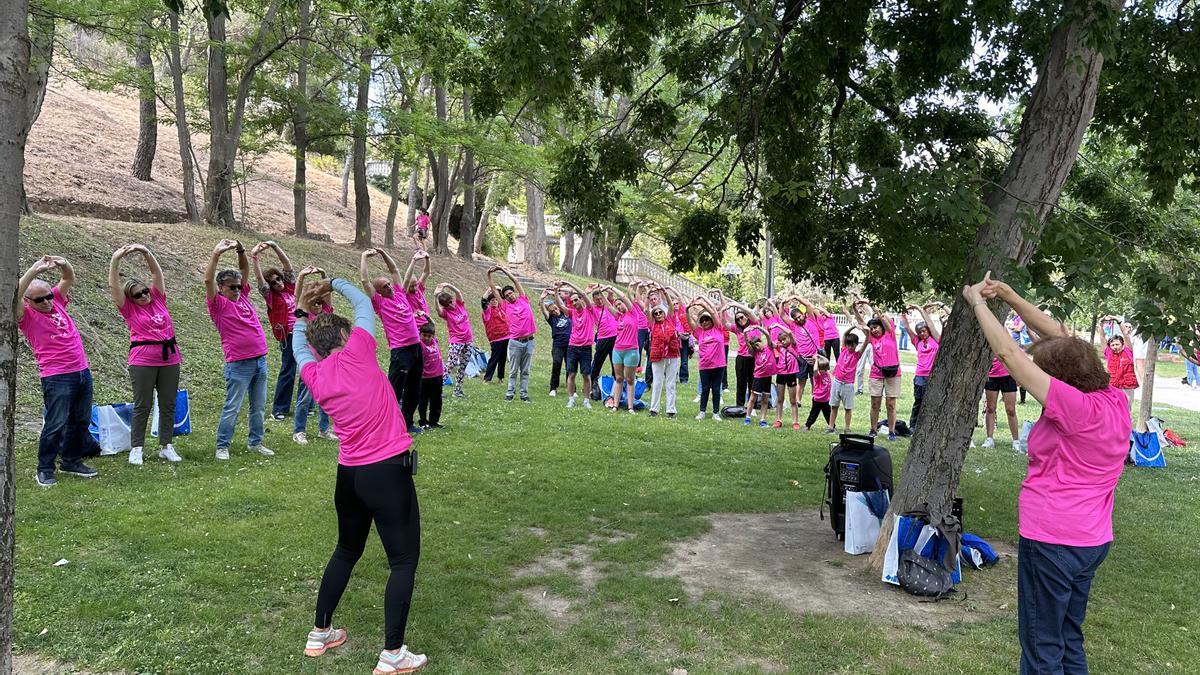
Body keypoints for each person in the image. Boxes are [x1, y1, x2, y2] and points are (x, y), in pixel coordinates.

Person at [964, 272, 1127, 675]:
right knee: (1068, 637)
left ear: (1061, 379)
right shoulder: (1114, 399)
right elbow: (1062, 340)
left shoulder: (1075, 408)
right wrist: (1008, 295)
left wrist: (978, 303)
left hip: (1054, 540)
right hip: (1090, 541)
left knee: (1042, 647)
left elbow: (1010, 356)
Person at [292, 278, 427, 674]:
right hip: (386, 472)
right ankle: (393, 654)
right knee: (403, 561)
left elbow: (298, 346)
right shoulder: (359, 350)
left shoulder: (314, 373)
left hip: (349, 475)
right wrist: (333, 283)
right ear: (344, 336)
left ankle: (320, 633)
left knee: (346, 550)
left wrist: (301, 310)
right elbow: (364, 304)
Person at [18, 255, 101, 485]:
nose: (47, 302)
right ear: (28, 301)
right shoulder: (26, 316)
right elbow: (15, 294)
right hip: (57, 376)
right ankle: (45, 469)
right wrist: (34, 270)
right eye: (40, 299)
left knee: (81, 420)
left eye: (49, 296)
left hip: (81, 372)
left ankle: (71, 461)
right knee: (56, 423)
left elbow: (68, 278)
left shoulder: (57, 303)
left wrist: (63, 263)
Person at [109, 244, 183, 465]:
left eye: (145, 291)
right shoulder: (129, 309)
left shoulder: (158, 299)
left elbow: (156, 274)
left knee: (168, 403)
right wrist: (115, 260)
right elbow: (114, 287)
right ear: (130, 298)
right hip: (143, 360)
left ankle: (166, 446)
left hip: (170, 358)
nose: (144, 295)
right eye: (138, 295)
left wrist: (146, 252)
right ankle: (137, 448)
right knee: (143, 404)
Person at [205, 239, 274, 460]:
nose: (237, 289)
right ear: (221, 288)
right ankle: (222, 446)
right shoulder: (218, 304)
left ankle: (256, 443)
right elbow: (207, 279)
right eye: (232, 287)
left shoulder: (242, 297)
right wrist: (216, 254)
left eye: (238, 286)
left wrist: (241, 250)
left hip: (259, 360)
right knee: (233, 406)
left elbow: (244, 270)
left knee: (258, 406)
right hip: (239, 363)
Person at [360, 248, 424, 434]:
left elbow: (394, 270)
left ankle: (407, 422)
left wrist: (382, 253)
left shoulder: (400, 293)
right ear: (378, 292)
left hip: (416, 347)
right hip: (400, 351)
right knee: (395, 390)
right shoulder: (379, 303)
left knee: (414, 388)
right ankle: (387, 425)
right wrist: (364, 257)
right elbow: (364, 281)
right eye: (384, 286)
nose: (389, 287)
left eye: (388, 284)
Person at [250, 240, 298, 421]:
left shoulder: (291, 287)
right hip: (289, 335)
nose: (278, 283)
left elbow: (287, 265)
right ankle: (280, 409)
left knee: (310, 368)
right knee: (288, 370)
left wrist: (274, 246)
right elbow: (260, 281)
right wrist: (254, 257)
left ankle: (308, 405)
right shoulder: (271, 297)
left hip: (306, 331)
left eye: (279, 279)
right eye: (273, 282)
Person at [292, 267, 336, 444]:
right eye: (314, 303)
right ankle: (299, 431)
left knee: (326, 397)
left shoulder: (326, 314)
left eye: (319, 303)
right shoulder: (304, 316)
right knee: (305, 398)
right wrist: (302, 276)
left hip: (326, 361)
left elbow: (327, 292)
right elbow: (298, 297)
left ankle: (324, 429)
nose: (318, 305)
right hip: (310, 362)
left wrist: (324, 275)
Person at [851, 299, 902, 441]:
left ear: (882, 326)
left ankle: (892, 431)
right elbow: (861, 323)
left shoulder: (890, 333)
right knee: (875, 403)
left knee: (891, 404)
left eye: (876, 327)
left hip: (893, 373)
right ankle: (873, 430)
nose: (874, 330)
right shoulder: (872, 338)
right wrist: (854, 308)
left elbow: (881, 316)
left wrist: (870, 304)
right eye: (872, 328)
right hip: (876, 373)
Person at [487, 265, 536, 402]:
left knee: (525, 370)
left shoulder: (523, 299)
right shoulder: (505, 306)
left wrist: (503, 270)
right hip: (515, 342)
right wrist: (489, 275)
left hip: (529, 341)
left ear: (514, 292)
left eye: (510, 293)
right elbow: (493, 289)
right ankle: (510, 393)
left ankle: (524, 394)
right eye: (507, 295)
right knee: (514, 370)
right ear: (505, 298)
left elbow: (516, 281)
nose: (509, 296)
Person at [552, 281, 595, 409]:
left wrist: (568, 283)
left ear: (581, 300)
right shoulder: (572, 313)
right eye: (572, 301)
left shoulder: (589, 310)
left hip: (586, 348)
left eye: (576, 300)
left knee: (586, 375)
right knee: (571, 374)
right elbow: (560, 305)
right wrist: (556, 291)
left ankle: (586, 401)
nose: (575, 303)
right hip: (572, 347)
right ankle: (570, 400)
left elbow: (583, 294)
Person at [598, 285, 641, 413]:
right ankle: (615, 405)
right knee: (618, 378)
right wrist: (601, 292)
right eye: (616, 305)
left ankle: (630, 406)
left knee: (630, 379)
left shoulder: (633, 313)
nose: (617, 307)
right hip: (617, 350)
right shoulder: (619, 316)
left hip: (631, 351)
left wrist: (611, 288)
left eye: (619, 304)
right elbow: (607, 305)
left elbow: (623, 296)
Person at [684, 295, 727, 421]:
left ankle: (715, 413)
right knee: (705, 389)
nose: (704, 322)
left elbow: (713, 312)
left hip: (718, 365)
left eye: (706, 320)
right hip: (704, 366)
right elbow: (690, 322)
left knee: (716, 389)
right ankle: (702, 411)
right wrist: (687, 310)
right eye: (702, 321)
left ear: (711, 321)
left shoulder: (718, 329)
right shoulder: (699, 332)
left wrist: (702, 304)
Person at [904, 304, 942, 432]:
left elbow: (930, 323)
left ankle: (928, 426)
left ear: (928, 331)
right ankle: (913, 425)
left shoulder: (935, 340)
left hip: (932, 375)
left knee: (930, 402)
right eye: (919, 332)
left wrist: (920, 310)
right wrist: (904, 313)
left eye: (924, 331)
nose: (922, 333)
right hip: (920, 375)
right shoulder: (917, 342)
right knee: (918, 401)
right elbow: (907, 328)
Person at [434, 282, 473, 398]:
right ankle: (438, 390)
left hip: (468, 340)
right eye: (447, 305)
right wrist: (436, 297)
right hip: (456, 341)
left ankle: (458, 391)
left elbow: (458, 292)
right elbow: (438, 311)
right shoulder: (446, 313)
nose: (450, 305)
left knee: (463, 366)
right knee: (451, 364)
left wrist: (447, 285)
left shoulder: (459, 304)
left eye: (451, 302)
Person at [828, 328, 867, 434]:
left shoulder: (857, 355)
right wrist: (853, 326)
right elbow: (845, 334)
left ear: (856, 345)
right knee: (834, 406)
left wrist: (866, 331)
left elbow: (866, 341)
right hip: (837, 382)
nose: (850, 347)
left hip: (848, 385)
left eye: (852, 345)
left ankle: (847, 428)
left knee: (848, 408)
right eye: (848, 345)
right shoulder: (843, 350)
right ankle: (831, 427)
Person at [647, 300, 681, 418]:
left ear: (664, 313)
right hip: (657, 356)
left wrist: (665, 293)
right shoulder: (652, 325)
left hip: (672, 355)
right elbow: (647, 310)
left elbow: (671, 305)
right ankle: (654, 409)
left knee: (670, 383)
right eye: (655, 313)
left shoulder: (670, 320)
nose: (658, 315)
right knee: (657, 382)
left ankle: (671, 409)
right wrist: (647, 296)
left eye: (660, 312)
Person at [725, 300, 760, 409]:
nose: (740, 320)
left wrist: (736, 305)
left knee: (753, 383)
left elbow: (750, 311)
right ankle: (740, 406)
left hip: (754, 357)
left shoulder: (755, 324)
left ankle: (752, 406)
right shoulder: (737, 329)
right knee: (741, 382)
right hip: (741, 358)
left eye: (742, 317)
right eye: (738, 319)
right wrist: (722, 310)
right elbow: (724, 323)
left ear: (746, 316)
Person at [983, 357, 1022, 451]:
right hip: (991, 375)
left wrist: (1018, 375)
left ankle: (1016, 441)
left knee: (1011, 410)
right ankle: (989, 439)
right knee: (990, 408)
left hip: (1009, 375)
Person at [539, 288, 572, 397]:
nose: (555, 311)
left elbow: (561, 302)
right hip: (558, 345)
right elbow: (544, 311)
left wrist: (555, 293)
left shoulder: (566, 314)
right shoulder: (551, 319)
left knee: (570, 366)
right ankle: (553, 388)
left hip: (570, 344)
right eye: (552, 311)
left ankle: (572, 388)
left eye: (555, 309)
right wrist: (542, 299)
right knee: (556, 364)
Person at [1099, 317, 1138, 407]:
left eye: (1117, 344)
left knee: (1126, 408)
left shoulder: (1128, 351)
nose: (1115, 347)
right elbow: (1102, 337)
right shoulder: (1109, 353)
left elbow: (1126, 335)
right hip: (1113, 386)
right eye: (1112, 345)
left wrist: (1118, 321)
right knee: (1112, 408)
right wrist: (1100, 324)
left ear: (1122, 344)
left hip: (1127, 387)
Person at [743, 326, 776, 428]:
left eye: (757, 344)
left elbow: (767, 335)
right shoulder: (755, 352)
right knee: (753, 398)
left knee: (765, 400)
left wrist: (758, 328)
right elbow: (747, 343)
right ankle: (748, 417)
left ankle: (763, 420)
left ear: (761, 342)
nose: (757, 347)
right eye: (755, 347)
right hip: (758, 377)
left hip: (767, 377)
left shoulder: (769, 347)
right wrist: (745, 333)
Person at [416, 322, 445, 430]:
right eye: (424, 335)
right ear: (420, 334)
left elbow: (432, 324)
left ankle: (434, 421)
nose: (427, 338)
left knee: (436, 399)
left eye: (429, 336)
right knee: (423, 400)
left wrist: (426, 316)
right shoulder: (419, 344)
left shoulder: (434, 341)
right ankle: (423, 421)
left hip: (437, 375)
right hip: (425, 378)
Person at [772, 328, 801, 429]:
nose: (783, 342)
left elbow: (789, 332)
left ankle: (795, 421)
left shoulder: (794, 345)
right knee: (780, 399)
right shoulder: (779, 347)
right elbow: (770, 343)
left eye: (784, 339)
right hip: (781, 374)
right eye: (781, 340)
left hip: (791, 375)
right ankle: (778, 420)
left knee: (793, 400)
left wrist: (778, 325)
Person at [589, 284, 619, 382]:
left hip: (615, 336)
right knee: (598, 361)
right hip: (603, 338)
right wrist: (589, 290)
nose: (600, 301)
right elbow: (583, 299)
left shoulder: (608, 304)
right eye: (597, 299)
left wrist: (600, 286)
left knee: (615, 362)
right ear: (593, 300)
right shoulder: (593, 308)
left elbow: (610, 292)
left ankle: (616, 383)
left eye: (601, 298)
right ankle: (592, 381)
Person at [481, 291, 509, 384]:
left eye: (496, 299)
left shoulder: (500, 308)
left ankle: (500, 378)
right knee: (494, 358)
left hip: (506, 337)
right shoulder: (488, 311)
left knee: (503, 358)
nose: (495, 301)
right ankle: (487, 379)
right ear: (489, 302)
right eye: (492, 300)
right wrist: (489, 290)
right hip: (496, 339)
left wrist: (498, 290)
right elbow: (483, 301)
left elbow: (502, 298)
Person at [404, 250, 432, 328]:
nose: (415, 288)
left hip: (427, 324)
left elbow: (426, 272)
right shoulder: (405, 294)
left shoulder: (419, 288)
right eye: (411, 286)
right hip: (416, 326)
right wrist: (414, 260)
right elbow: (407, 278)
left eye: (415, 285)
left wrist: (427, 258)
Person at [805, 357, 833, 431]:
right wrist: (816, 360)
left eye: (825, 368)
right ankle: (807, 426)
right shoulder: (817, 376)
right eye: (822, 368)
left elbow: (826, 362)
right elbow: (815, 370)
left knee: (828, 414)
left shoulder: (827, 374)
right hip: (818, 399)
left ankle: (832, 426)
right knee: (813, 414)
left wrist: (819, 356)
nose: (824, 370)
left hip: (826, 399)